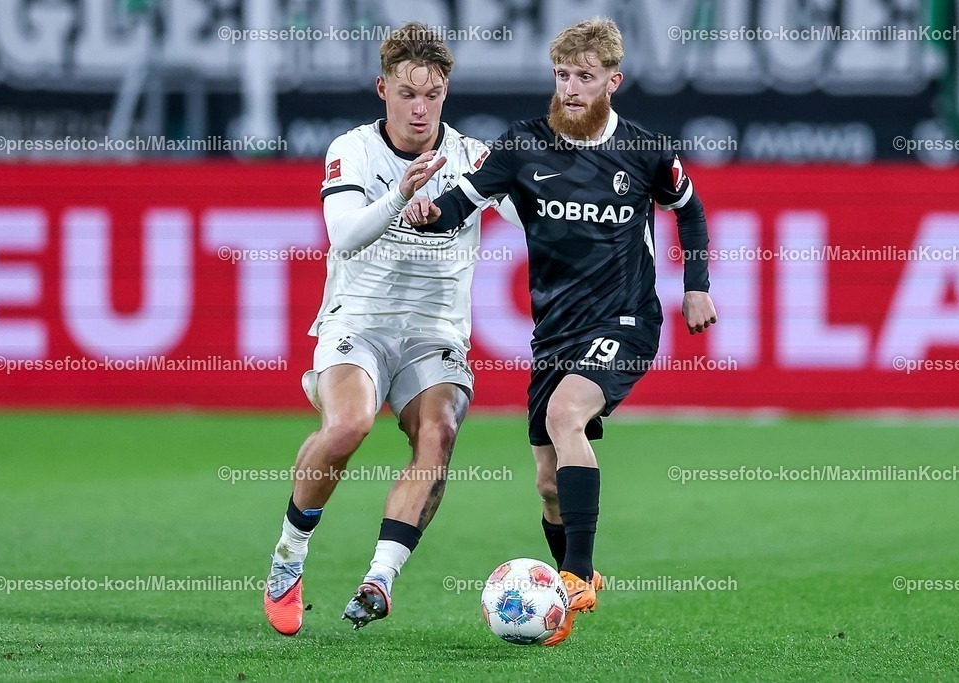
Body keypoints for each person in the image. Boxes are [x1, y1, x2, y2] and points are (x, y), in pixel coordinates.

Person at [403, 16, 717, 646]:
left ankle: (575, 574)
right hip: (555, 334)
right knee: (548, 485)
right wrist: (429, 212)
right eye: (562, 74)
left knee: (567, 414)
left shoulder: (646, 149)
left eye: (585, 77)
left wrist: (697, 285)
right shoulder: (522, 146)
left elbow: (690, 209)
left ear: (613, 81)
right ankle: (567, 596)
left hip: (627, 321)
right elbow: (459, 206)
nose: (570, 87)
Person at [263, 21, 519, 636]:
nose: (420, 108)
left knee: (440, 432)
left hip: (435, 335)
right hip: (361, 322)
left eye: (432, 94)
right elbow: (343, 234)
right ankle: (289, 555)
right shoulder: (351, 150)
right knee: (348, 425)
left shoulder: (471, 158)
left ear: (445, 92)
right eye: (408, 93)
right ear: (383, 89)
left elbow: (540, 216)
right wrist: (400, 195)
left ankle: (379, 578)